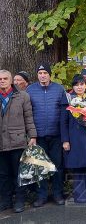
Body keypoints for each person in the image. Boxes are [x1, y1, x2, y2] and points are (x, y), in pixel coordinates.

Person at [27, 64, 66, 207]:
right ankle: (41, 196)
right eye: (40, 73)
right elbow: (27, 113)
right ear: (37, 75)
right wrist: (31, 134)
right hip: (38, 136)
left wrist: (64, 135)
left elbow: (64, 112)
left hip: (56, 135)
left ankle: (57, 194)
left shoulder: (59, 89)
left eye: (45, 73)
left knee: (57, 166)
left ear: (50, 75)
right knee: (40, 166)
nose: (42, 75)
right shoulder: (30, 90)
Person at [60, 74, 86, 203]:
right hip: (74, 138)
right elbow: (63, 122)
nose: (79, 87)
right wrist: (65, 140)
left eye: (81, 84)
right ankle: (79, 196)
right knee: (78, 167)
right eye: (76, 85)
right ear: (73, 86)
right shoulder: (67, 99)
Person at [0, 70, 37, 213]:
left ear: (11, 81)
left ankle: (20, 200)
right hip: (1, 143)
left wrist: (32, 136)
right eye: (0, 79)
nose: (2, 81)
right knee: (3, 174)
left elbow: (29, 118)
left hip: (17, 141)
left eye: (5, 78)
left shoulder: (22, 96)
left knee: (19, 173)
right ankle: (5, 200)